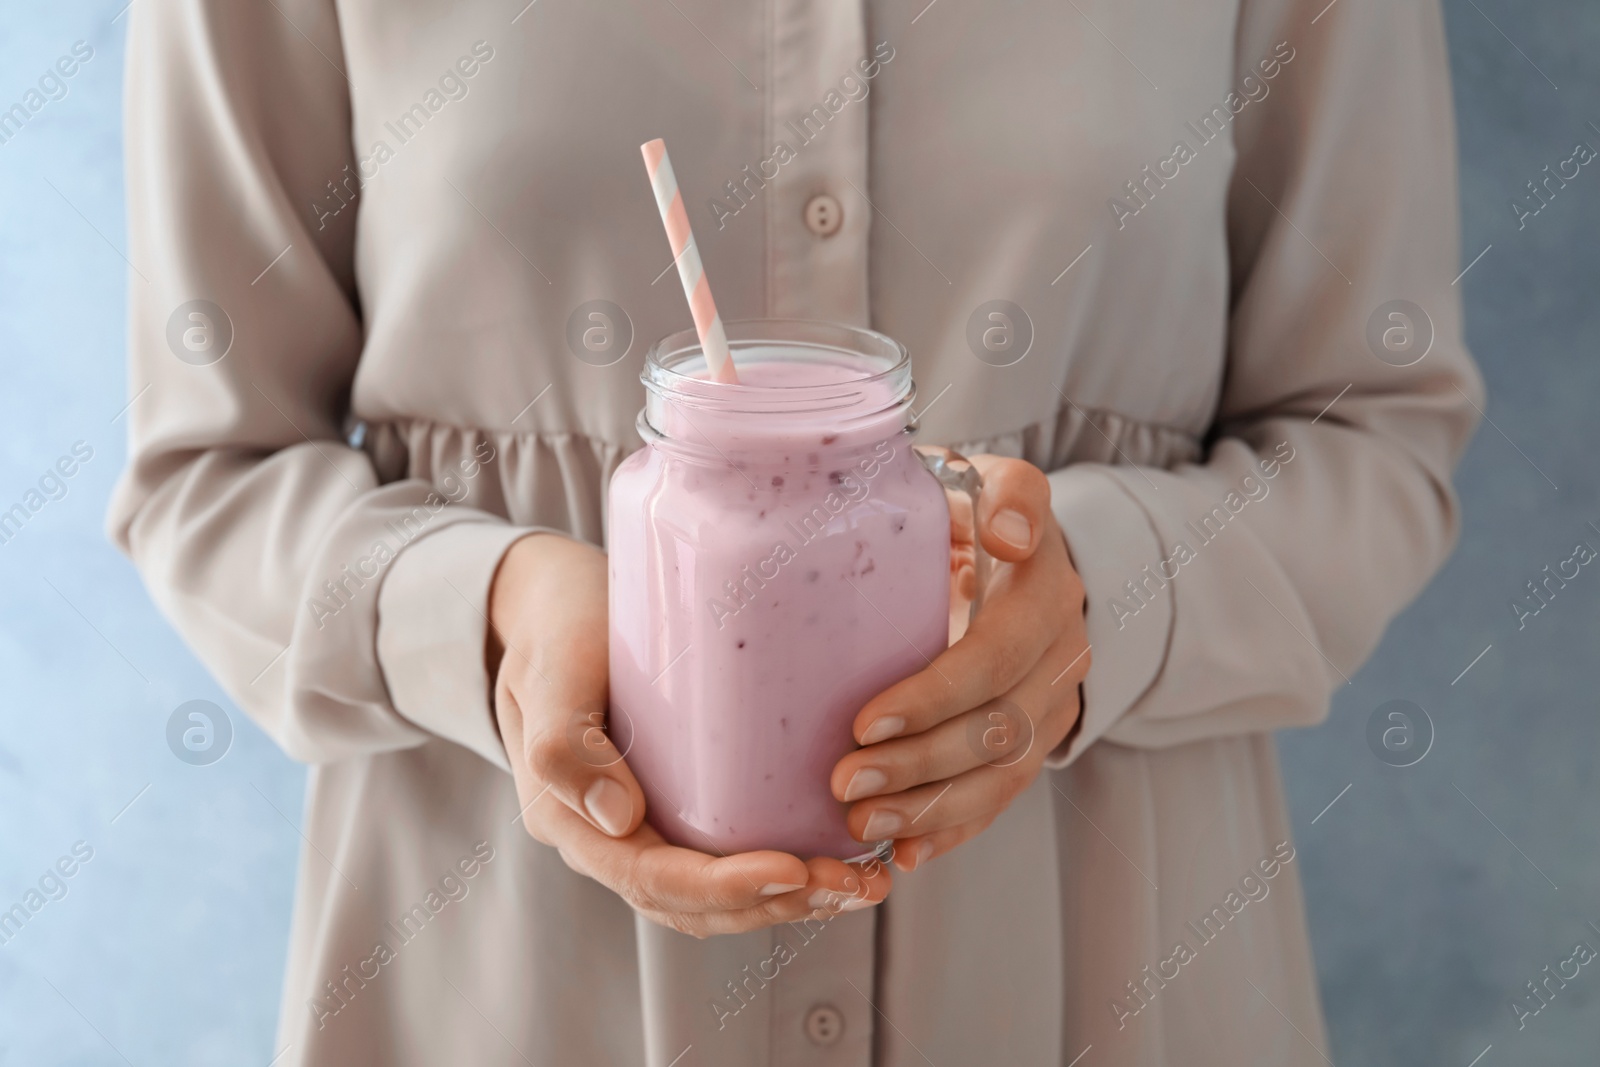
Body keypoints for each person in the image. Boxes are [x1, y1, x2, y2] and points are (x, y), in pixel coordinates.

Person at [110, 0, 1480, 1063]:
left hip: (1110, 978)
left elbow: (1375, 431)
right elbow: (210, 470)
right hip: (494, 981)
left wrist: (1104, 603)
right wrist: (488, 613)